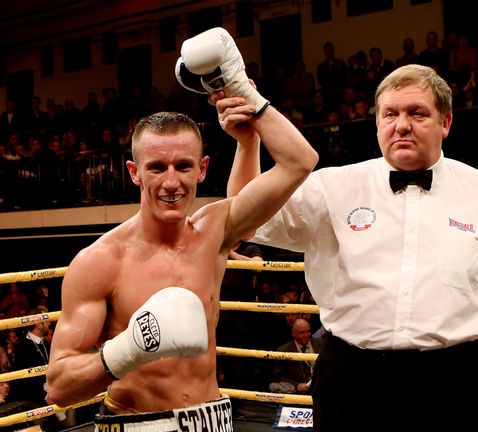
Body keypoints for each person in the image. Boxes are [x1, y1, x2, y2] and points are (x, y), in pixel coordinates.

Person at [224, 63, 478, 431]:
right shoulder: (333, 187)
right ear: (377, 124)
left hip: (459, 381)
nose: (401, 124)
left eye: (417, 113)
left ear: (446, 123)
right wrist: (249, 142)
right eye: (390, 114)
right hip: (353, 380)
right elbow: (247, 218)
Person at [45, 84, 318, 431]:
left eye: (183, 166)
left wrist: (251, 110)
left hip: (213, 420)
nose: (171, 182)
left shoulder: (216, 230)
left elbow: (300, 161)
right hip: (137, 422)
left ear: (202, 169)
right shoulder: (100, 261)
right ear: (134, 172)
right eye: (157, 167)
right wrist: (127, 350)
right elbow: (59, 387)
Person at [270, 318, 325, 394]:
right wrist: (297, 385)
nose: (306, 335)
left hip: (321, 388)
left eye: (308, 331)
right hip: (297, 392)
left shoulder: (321, 344)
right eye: (302, 333)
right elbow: (278, 377)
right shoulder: (284, 350)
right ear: (293, 333)